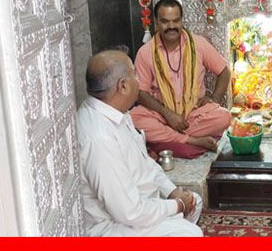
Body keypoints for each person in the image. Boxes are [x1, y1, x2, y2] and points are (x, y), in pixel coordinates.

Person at [77, 50, 203, 236]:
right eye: (134, 74)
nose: (139, 81)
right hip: (114, 226)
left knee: (195, 201)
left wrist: (172, 192)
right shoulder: (99, 137)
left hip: (141, 202)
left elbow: (146, 164)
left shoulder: (117, 112)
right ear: (123, 86)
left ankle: (171, 224)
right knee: (191, 234)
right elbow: (129, 212)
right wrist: (177, 205)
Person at [130, 0, 232, 159]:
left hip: (193, 114)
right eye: (165, 21)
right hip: (162, 115)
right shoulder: (145, 52)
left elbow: (224, 71)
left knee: (224, 117)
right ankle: (191, 140)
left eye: (176, 21)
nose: (171, 26)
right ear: (156, 22)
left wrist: (215, 98)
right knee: (133, 119)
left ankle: (167, 138)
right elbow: (140, 93)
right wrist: (168, 115)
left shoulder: (198, 44)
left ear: (181, 20)